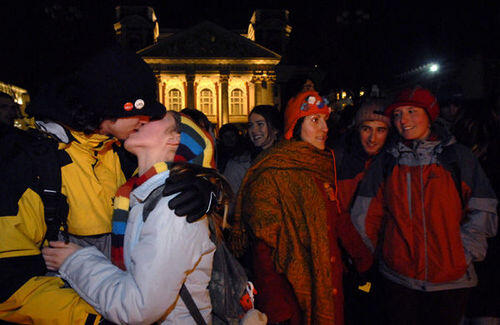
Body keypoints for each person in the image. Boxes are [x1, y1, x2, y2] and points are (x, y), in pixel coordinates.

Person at [0, 44, 216, 324]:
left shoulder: (123, 153)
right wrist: (95, 319)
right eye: (139, 113)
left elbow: (185, 155)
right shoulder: (30, 161)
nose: (145, 120)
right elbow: (9, 280)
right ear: (109, 108)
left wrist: (202, 187)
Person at [42, 111, 218, 324]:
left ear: (175, 139)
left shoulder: (174, 205)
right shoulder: (135, 193)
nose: (142, 119)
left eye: (154, 117)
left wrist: (75, 260)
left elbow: (136, 307)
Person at [351, 86, 498, 325]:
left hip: (451, 281)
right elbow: (365, 216)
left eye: (412, 111)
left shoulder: (458, 158)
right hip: (400, 280)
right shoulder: (387, 162)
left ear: (429, 115)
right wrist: (387, 255)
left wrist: (464, 253)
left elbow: (483, 208)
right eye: (397, 114)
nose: (403, 120)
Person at [230, 91, 372, 324]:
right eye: (315, 121)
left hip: (327, 284)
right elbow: (264, 250)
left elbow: (337, 220)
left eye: (325, 120)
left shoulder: (320, 165)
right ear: (295, 126)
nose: (325, 128)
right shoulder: (272, 173)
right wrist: (278, 309)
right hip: (292, 295)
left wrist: (364, 263)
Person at [334, 99, 391, 324]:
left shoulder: (393, 161)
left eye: (380, 130)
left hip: (386, 260)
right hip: (350, 261)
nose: (372, 137)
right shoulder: (340, 159)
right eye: (366, 129)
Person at [223, 105, 282, 196]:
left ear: (274, 128)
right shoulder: (239, 164)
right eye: (250, 125)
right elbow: (230, 200)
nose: (254, 130)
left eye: (260, 124)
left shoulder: (289, 158)